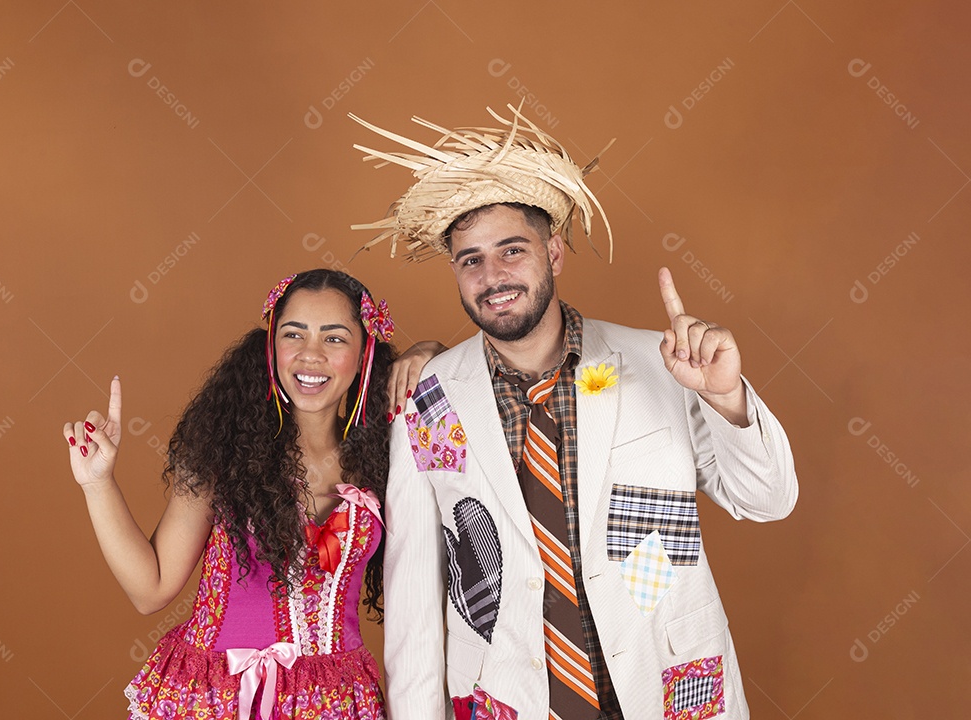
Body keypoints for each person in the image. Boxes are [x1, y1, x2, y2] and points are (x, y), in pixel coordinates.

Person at [350, 106, 798, 719]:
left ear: (554, 253)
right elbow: (413, 606)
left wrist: (726, 397)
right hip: (510, 698)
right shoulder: (431, 399)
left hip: (667, 685)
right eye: (471, 260)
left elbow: (767, 500)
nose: (493, 276)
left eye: (512, 250)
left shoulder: (658, 364)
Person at [63, 269, 432, 720]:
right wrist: (97, 482)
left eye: (334, 339)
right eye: (293, 334)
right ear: (272, 346)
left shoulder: (391, 449)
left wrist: (436, 355)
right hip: (216, 698)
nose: (310, 355)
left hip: (335, 701)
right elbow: (151, 589)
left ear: (364, 353)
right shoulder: (224, 446)